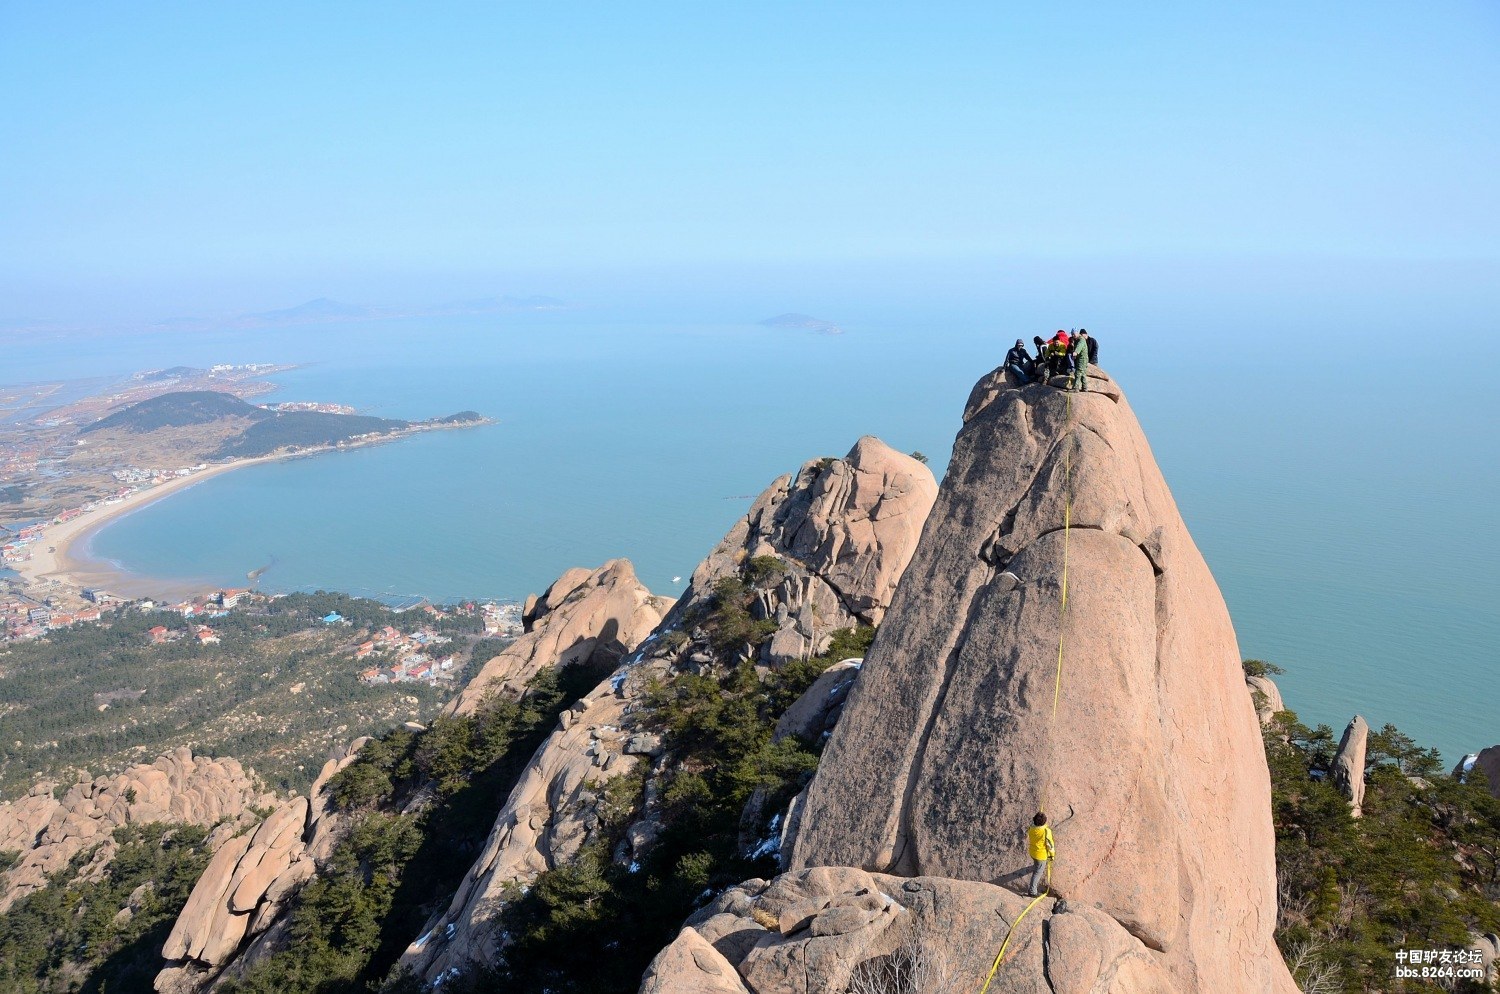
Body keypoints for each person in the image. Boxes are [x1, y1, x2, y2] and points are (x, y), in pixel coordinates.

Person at [1027, 811, 1055, 897]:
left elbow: (1035, 823)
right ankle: (1032, 891)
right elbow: (1050, 845)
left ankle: (1036, 866)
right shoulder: (1046, 831)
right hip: (1041, 855)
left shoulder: (1031, 828)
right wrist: (1052, 855)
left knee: (1036, 865)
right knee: (1037, 873)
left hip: (1032, 852)